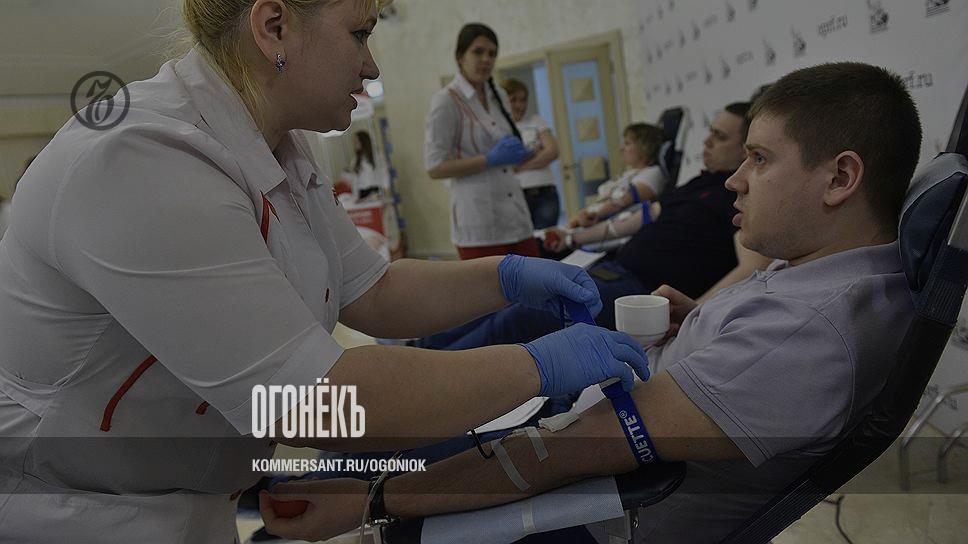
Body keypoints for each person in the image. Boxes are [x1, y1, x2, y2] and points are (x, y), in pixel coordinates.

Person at [0, 1, 650, 542]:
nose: (372, 64)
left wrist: (505, 277)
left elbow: (374, 290)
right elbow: (311, 404)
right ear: (274, 26)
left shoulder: (279, 142)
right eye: (360, 33)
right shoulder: (143, 159)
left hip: (188, 497)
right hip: (78, 512)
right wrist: (536, 366)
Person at [260, 61, 923, 544]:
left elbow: (570, 451)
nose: (735, 180)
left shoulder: (804, 332)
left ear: (840, 177)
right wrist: (702, 323)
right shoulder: (833, 274)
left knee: (382, 462)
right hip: (596, 440)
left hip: (595, 510)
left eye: (759, 159)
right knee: (400, 428)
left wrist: (377, 501)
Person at [418, 103, 750, 350]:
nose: (707, 142)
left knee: (516, 320)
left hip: (638, 292)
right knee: (513, 298)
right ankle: (421, 346)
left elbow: (750, 267)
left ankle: (425, 372)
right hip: (613, 269)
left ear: (747, 149)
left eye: (720, 137)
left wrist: (693, 319)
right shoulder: (701, 182)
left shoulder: (740, 198)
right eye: (709, 132)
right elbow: (644, 216)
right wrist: (573, 237)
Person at [425, 23, 539, 260]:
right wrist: (488, 159)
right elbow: (435, 167)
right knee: (492, 285)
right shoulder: (446, 101)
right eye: (478, 52)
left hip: (516, 215)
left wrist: (520, 153)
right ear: (460, 57)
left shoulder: (500, 97)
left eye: (492, 53)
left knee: (533, 280)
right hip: (479, 224)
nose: (486, 59)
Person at [565, 123, 668, 230]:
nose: (621, 148)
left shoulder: (654, 173)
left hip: (606, 225)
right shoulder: (629, 173)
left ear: (645, 147)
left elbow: (621, 201)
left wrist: (594, 215)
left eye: (627, 144)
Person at [502, 78, 562, 229]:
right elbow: (504, 163)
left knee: (547, 239)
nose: (519, 105)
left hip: (545, 194)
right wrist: (535, 153)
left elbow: (552, 152)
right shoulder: (499, 129)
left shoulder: (536, 121)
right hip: (516, 197)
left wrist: (520, 166)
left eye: (523, 100)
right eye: (513, 100)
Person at [349, 130, 384, 199]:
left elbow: (383, 175)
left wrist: (383, 193)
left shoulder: (376, 156)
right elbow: (355, 180)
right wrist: (356, 196)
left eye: (356, 141)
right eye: (354, 142)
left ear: (363, 141)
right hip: (362, 192)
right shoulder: (355, 159)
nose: (354, 144)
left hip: (374, 191)